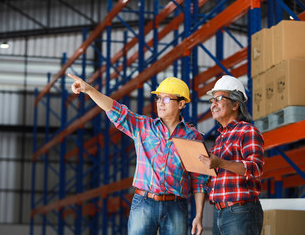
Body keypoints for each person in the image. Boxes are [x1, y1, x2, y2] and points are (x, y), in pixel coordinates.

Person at [68, 73, 208, 235]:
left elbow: (199, 180)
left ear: (181, 104)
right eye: (158, 98)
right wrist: (90, 90)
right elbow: (114, 109)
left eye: (167, 99)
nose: (160, 103)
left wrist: (198, 216)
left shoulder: (192, 136)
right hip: (144, 203)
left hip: (176, 206)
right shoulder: (144, 127)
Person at [198, 75, 265, 235]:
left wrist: (220, 163)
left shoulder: (247, 131)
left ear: (235, 104)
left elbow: (256, 169)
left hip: (240, 211)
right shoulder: (221, 137)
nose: (213, 104)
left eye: (219, 98)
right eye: (212, 100)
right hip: (220, 211)